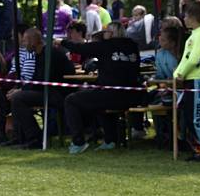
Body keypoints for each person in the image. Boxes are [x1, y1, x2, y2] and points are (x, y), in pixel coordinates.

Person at [60, 22, 141, 153]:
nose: (104, 33)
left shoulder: (106, 46)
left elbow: (81, 48)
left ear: (112, 33)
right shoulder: (133, 46)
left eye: (107, 31)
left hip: (112, 94)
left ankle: (78, 142)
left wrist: (62, 42)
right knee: (98, 97)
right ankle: (110, 139)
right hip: (133, 95)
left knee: (71, 100)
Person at [7, 29, 75, 148]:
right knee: (16, 96)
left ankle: (34, 138)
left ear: (33, 41)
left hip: (58, 94)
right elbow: (36, 79)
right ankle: (21, 136)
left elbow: (42, 80)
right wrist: (21, 88)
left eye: (25, 41)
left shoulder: (50, 54)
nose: (23, 44)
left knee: (18, 98)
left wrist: (21, 91)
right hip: (47, 91)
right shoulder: (39, 54)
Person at [174, 2, 200, 161]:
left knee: (195, 117)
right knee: (188, 116)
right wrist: (177, 73)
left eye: (186, 16)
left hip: (198, 79)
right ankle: (199, 148)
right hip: (189, 80)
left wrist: (181, 73)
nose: (184, 19)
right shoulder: (193, 35)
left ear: (194, 18)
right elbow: (186, 58)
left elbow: (194, 59)